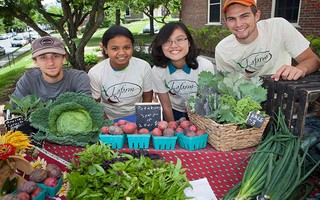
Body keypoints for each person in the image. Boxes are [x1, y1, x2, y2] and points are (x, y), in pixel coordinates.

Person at [215, 0, 320, 81]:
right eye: (232, 19)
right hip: (249, 101)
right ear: (226, 21)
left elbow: (313, 60)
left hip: (282, 94)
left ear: (256, 16)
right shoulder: (223, 50)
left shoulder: (279, 27)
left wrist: (300, 69)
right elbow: (228, 87)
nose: (238, 24)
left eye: (244, 16)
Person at [149, 22, 215, 122]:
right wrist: (173, 128)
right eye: (167, 41)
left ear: (189, 42)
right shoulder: (158, 71)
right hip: (174, 111)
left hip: (200, 113)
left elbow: (206, 101)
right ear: (161, 46)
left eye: (179, 40)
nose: (173, 45)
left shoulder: (205, 66)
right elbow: (166, 106)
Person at [88, 25, 153, 120]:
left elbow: (147, 96)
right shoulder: (96, 73)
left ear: (132, 47)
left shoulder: (143, 67)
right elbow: (96, 104)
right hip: (109, 118)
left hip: (137, 116)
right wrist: (108, 125)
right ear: (105, 49)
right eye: (114, 48)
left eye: (127, 47)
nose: (121, 53)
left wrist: (142, 118)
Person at [12, 36, 91, 101]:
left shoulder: (78, 78)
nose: (51, 63)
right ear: (35, 62)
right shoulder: (28, 81)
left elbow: (87, 105)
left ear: (64, 59)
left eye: (55, 56)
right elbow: (12, 110)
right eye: (43, 58)